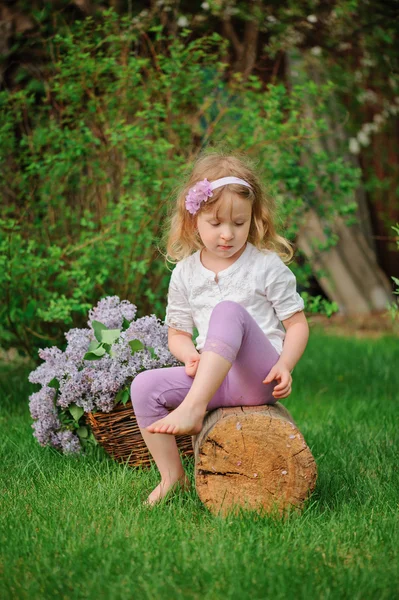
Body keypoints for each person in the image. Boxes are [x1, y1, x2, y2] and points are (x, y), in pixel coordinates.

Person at [130, 152, 309, 506]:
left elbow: (298, 324)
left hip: (255, 376)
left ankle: (194, 410)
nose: (227, 234)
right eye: (215, 224)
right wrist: (189, 355)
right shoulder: (185, 272)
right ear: (193, 219)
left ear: (253, 220)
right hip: (210, 378)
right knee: (143, 386)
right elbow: (177, 332)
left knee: (229, 312)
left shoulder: (265, 266)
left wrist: (285, 364)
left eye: (239, 224)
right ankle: (172, 476)